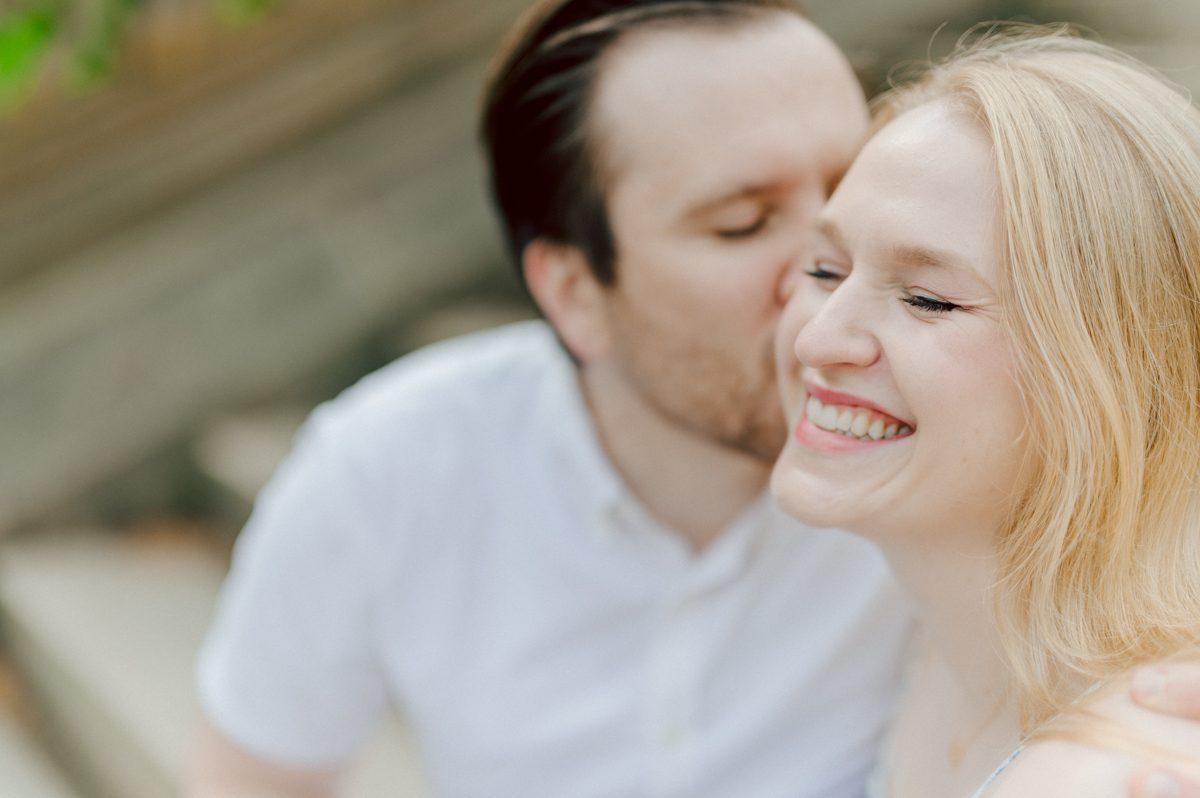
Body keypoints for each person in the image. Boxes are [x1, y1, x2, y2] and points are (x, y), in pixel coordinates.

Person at [186, 1, 1200, 795]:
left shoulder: (937, 492)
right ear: (576, 294)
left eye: (845, 192)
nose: (817, 312)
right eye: (743, 222)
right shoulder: (392, 467)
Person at [770, 25, 1200, 797]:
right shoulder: (897, 619)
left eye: (927, 298)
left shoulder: (1123, 769)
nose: (818, 335)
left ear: (1109, 372)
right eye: (824, 269)